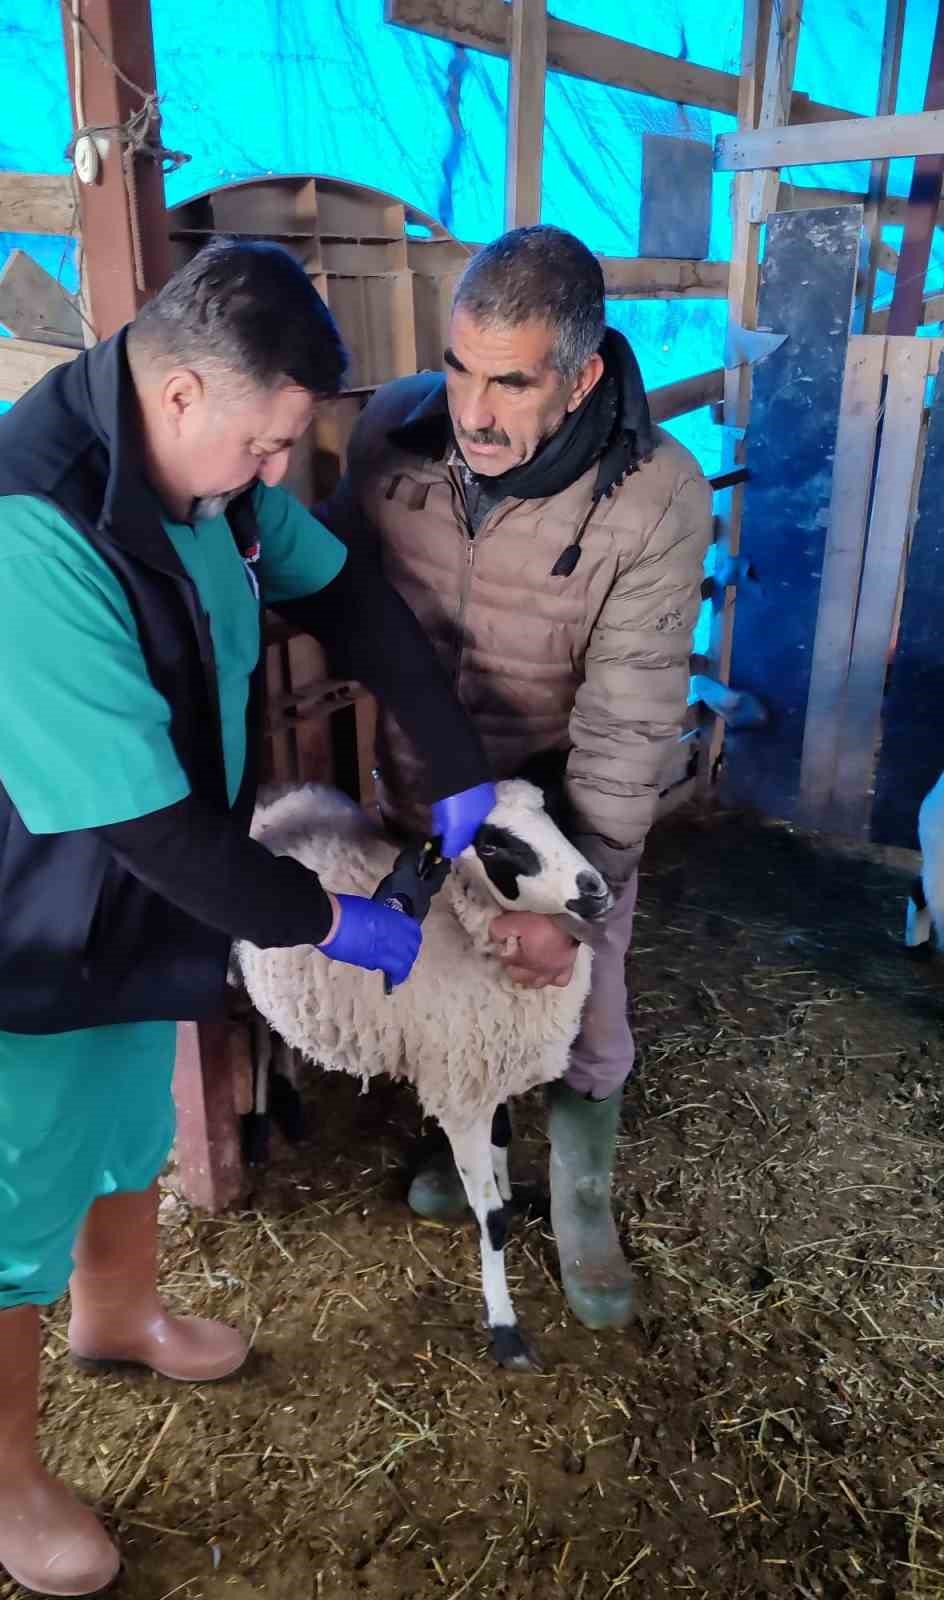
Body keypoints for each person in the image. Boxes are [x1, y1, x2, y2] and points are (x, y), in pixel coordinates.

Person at [0, 239, 495, 1597]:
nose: (277, 474)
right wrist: (324, 922)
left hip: (140, 896)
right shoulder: (15, 545)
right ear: (178, 396)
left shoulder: (207, 481)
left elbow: (335, 587)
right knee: (5, 1193)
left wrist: (453, 755)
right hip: (20, 923)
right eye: (267, 444)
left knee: (125, 1122)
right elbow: (148, 825)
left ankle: (116, 1315)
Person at [320, 224, 712, 1335]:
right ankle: (469, 1134)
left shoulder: (654, 497)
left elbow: (631, 720)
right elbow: (331, 584)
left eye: (509, 381)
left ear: (582, 376)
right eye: (458, 367)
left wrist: (575, 911)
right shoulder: (391, 436)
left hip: (565, 818)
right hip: (425, 793)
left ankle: (584, 1202)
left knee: (578, 1006)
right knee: (451, 989)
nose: (473, 410)